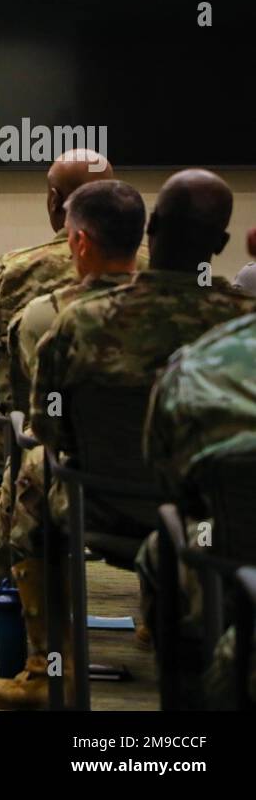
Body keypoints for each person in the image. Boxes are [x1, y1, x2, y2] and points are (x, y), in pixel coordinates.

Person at [0, 168, 256, 710]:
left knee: (36, 472)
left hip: (102, 507)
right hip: (218, 526)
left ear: (151, 228)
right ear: (222, 245)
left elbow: (47, 426)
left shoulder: (77, 322)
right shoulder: (240, 329)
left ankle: (46, 667)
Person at [0, 178, 145, 641]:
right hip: (171, 480)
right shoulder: (173, 286)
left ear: (56, 206)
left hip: (58, 465)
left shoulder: (22, 284)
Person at [141, 225, 256, 707]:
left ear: (251, 244)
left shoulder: (197, 366)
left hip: (229, 561)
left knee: (162, 547)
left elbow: (166, 478)